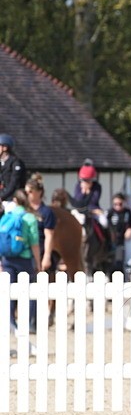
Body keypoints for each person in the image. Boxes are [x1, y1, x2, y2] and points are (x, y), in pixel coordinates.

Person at [1, 190, 42, 327]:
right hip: (24, 258)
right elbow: (34, 243)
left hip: (7, 258)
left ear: (15, 201)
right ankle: (29, 322)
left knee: (9, 289)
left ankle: (10, 321)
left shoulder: (7, 216)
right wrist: (38, 263)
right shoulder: (30, 218)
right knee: (29, 289)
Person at [24, 174, 56, 273]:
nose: (27, 194)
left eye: (30, 191)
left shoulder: (46, 212)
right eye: (26, 192)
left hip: (40, 252)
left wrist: (47, 256)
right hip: (24, 253)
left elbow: (49, 235)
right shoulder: (24, 210)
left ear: (39, 192)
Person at [105, 193, 131, 277]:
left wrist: (129, 229)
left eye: (120, 204)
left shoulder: (127, 212)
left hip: (121, 241)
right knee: (109, 262)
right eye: (115, 204)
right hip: (109, 242)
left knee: (119, 262)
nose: (118, 206)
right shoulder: (110, 212)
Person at [0, 133, 28, 209]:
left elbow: (14, 183)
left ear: (5, 148)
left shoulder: (16, 163)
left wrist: (2, 196)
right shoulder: (1, 163)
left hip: (12, 200)